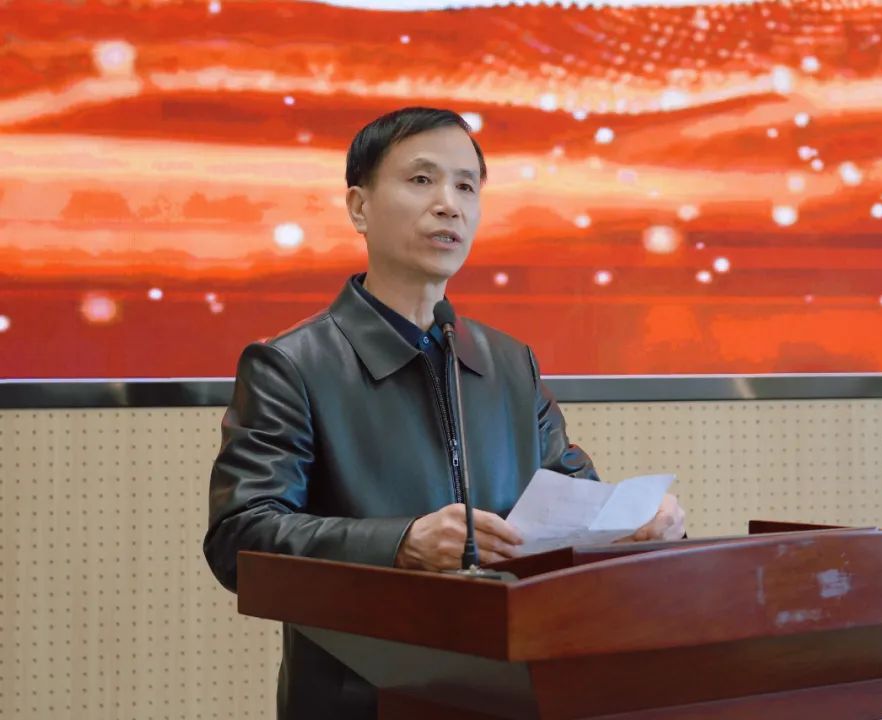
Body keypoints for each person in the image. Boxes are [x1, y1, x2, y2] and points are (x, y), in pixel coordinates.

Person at [203, 106, 686, 719]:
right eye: (421, 179)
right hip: (361, 697)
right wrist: (400, 544)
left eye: (466, 187)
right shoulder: (291, 364)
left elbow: (573, 504)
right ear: (359, 207)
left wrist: (634, 527)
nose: (448, 205)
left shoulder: (508, 362)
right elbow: (241, 539)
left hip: (508, 689)